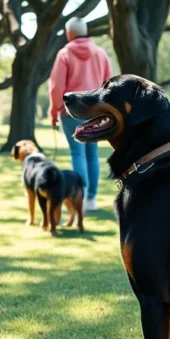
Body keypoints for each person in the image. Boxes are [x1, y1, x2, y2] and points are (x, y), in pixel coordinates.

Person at [48, 17, 113, 211]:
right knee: (92, 154)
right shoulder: (100, 53)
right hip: (96, 111)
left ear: (69, 33)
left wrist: (54, 110)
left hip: (71, 112)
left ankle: (80, 197)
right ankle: (91, 199)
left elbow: (56, 86)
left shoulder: (64, 54)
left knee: (77, 153)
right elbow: (109, 84)